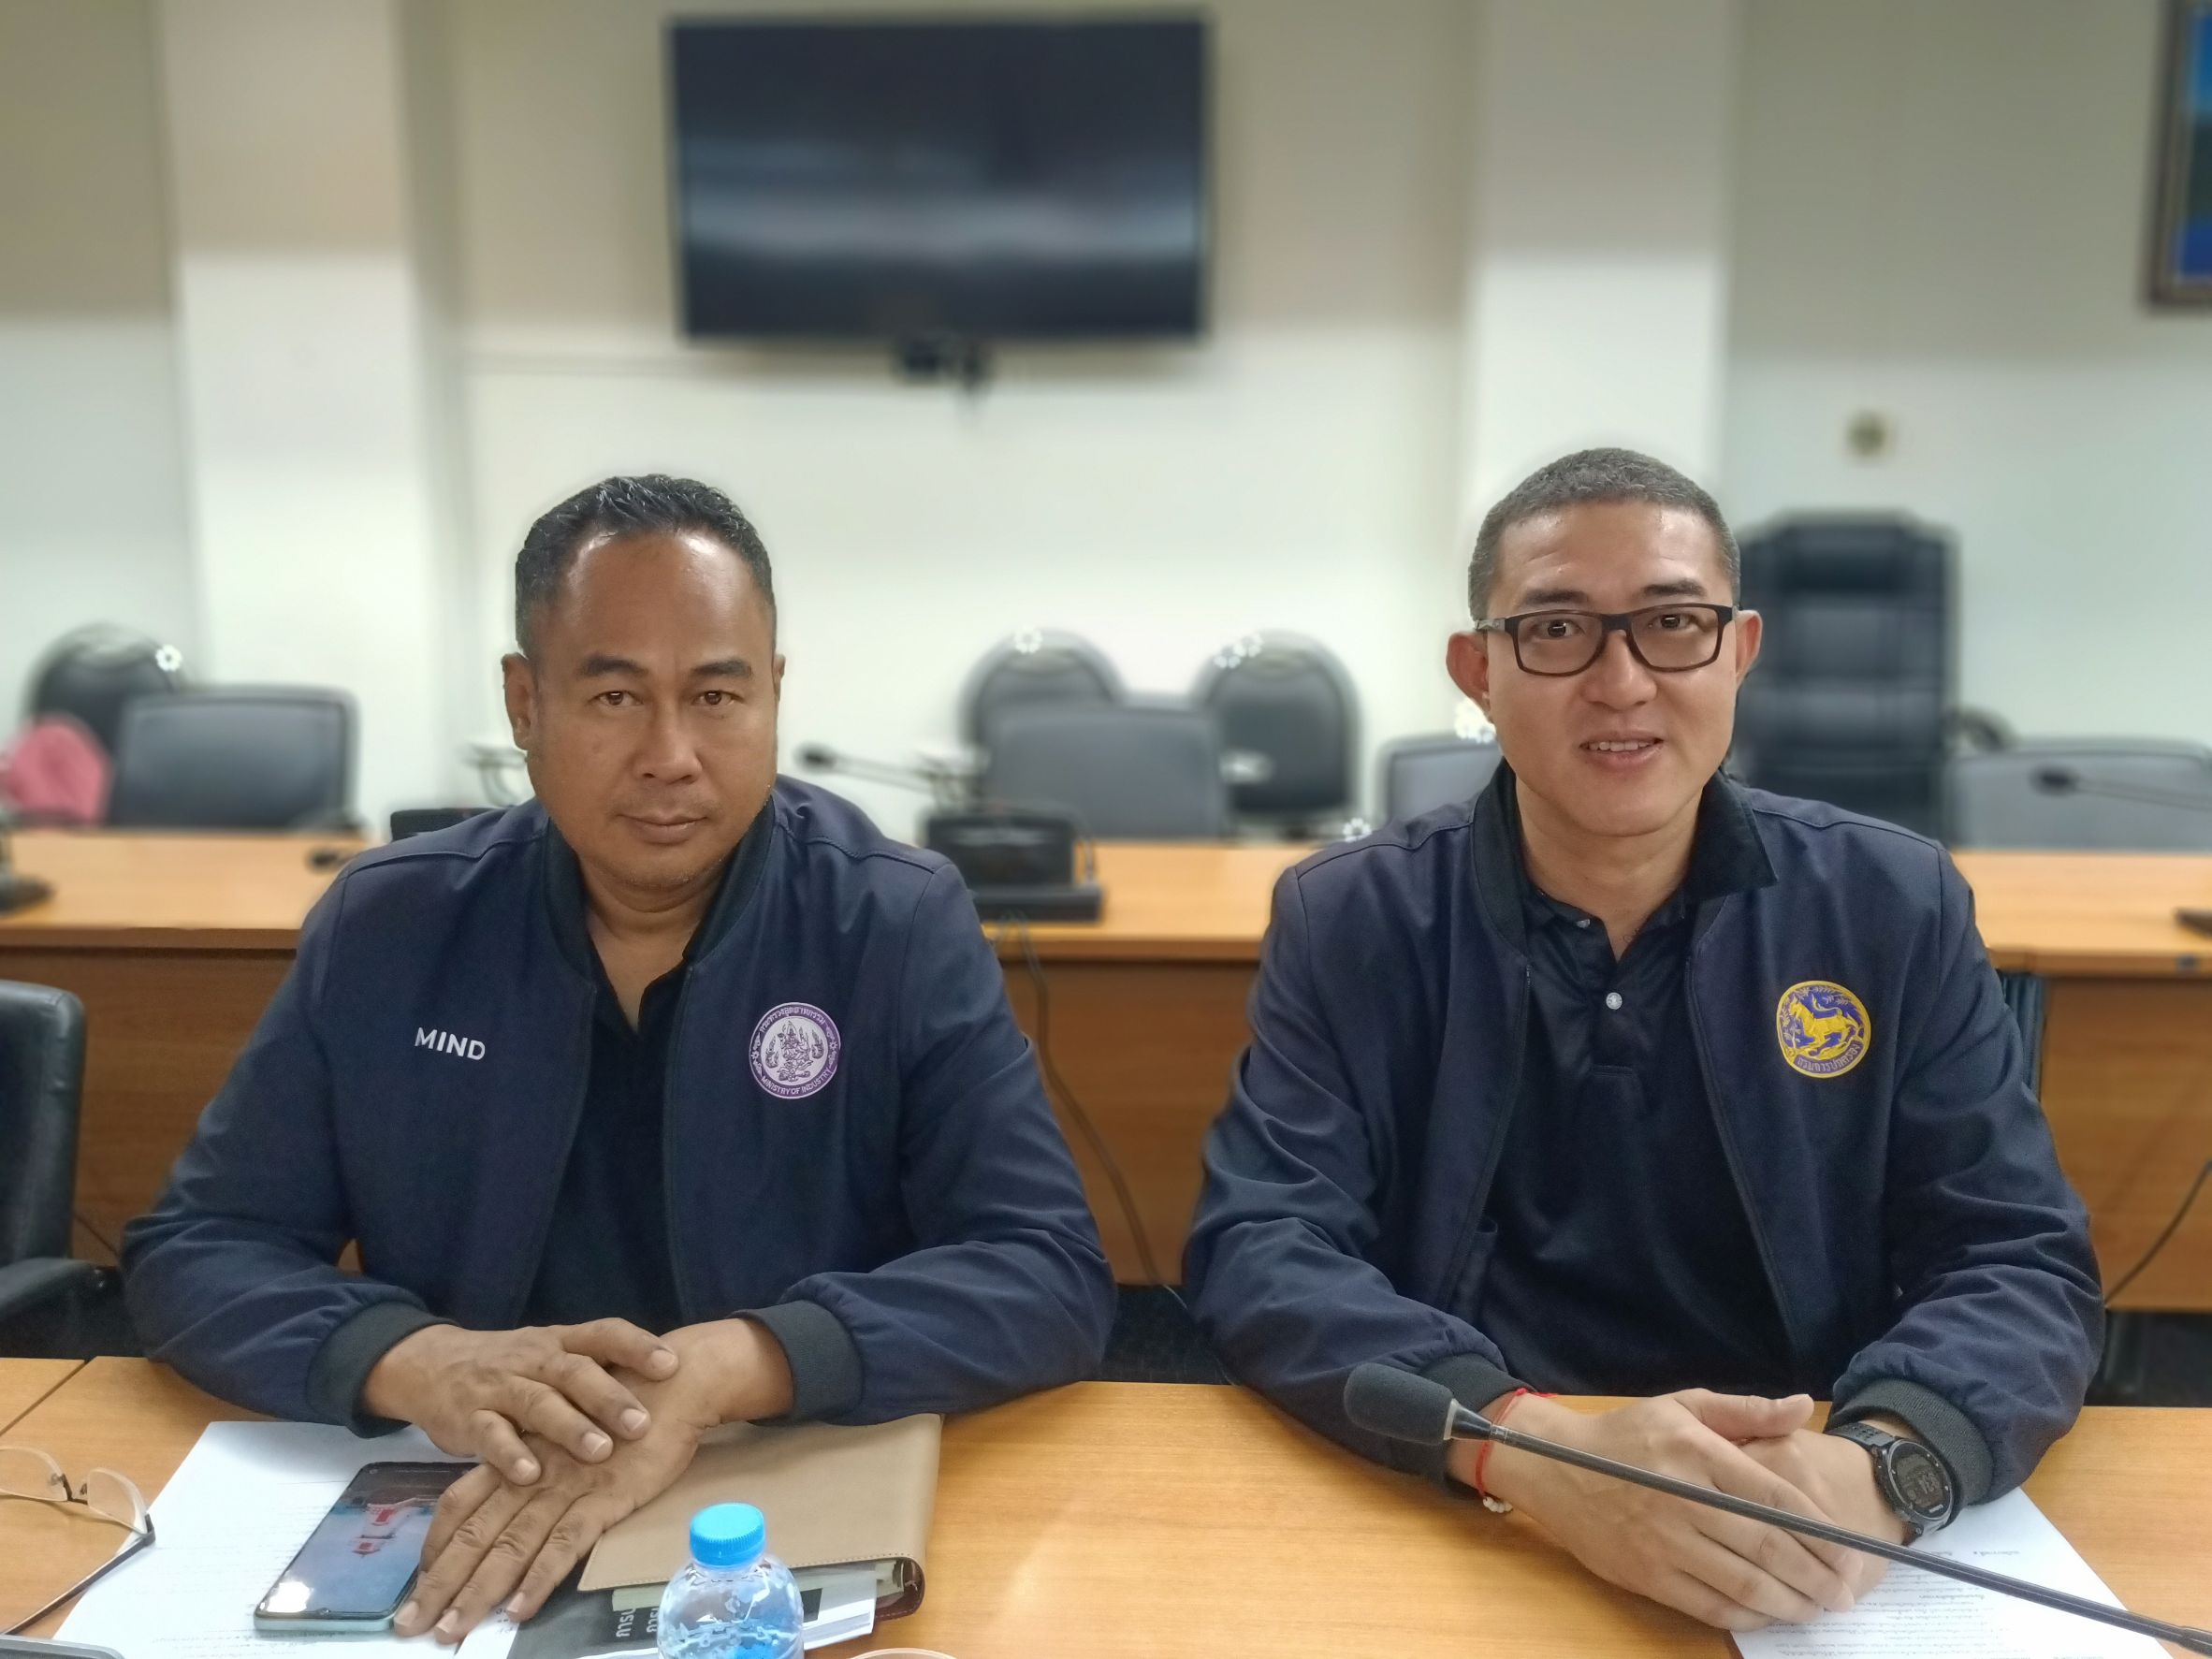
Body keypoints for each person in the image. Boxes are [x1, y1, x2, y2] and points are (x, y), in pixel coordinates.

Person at [124, 474, 1114, 1641]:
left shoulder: (893, 922)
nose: (671, 754)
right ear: (524, 702)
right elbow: (199, 1249)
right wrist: (416, 1360)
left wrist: (740, 1365)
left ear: (775, 694)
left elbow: (1046, 1271)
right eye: (613, 695)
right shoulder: (392, 925)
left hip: (773, 1497)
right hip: (474, 1488)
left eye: (717, 695)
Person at [1183, 448, 2101, 1634]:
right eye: (1557, 630)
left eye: (1673, 624)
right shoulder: (1355, 917)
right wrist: (1524, 1446)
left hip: (1799, 1495)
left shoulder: (1891, 905)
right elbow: (1264, 1244)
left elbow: (2017, 1257)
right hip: (1487, 1500)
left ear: (1740, 651)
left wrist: (1886, 1466)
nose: (1621, 684)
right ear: (1478, 672)